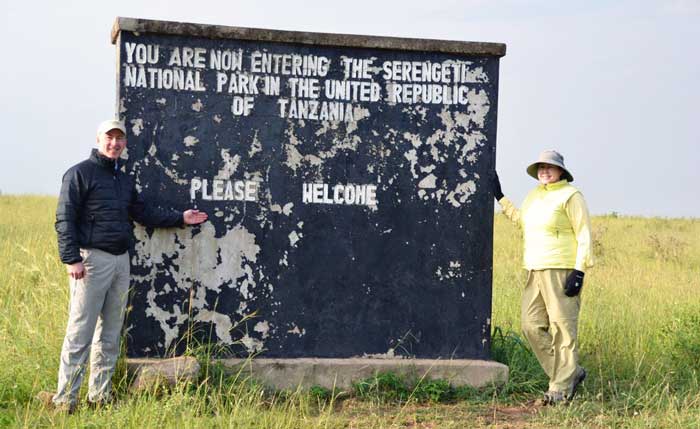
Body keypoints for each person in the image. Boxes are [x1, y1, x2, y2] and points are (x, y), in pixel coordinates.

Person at [41, 119, 208, 413]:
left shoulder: (123, 180)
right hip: (90, 261)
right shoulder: (79, 174)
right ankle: (65, 400)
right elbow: (64, 218)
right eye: (109, 137)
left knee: (110, 333)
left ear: (124, 144)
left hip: (121, 261)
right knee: (80, 332)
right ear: (98, 139)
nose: (114, 143)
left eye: (119, 139)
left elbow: (143, 214)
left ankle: (100, 396)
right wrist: (71, 259)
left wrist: (180, 218)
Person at [493, 150, 593, 405]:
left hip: (561, 269)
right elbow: (521, 221)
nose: (545, 171)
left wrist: (579, 271)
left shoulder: (571, 195)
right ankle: (572, 373)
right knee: (530, 325)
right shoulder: (534, 196)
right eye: (540, 167)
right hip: (534, 268)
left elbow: (584, 234)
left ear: (561, 171)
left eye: (550, 167)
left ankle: (559, 390)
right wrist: (500, 196)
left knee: (562, 329)